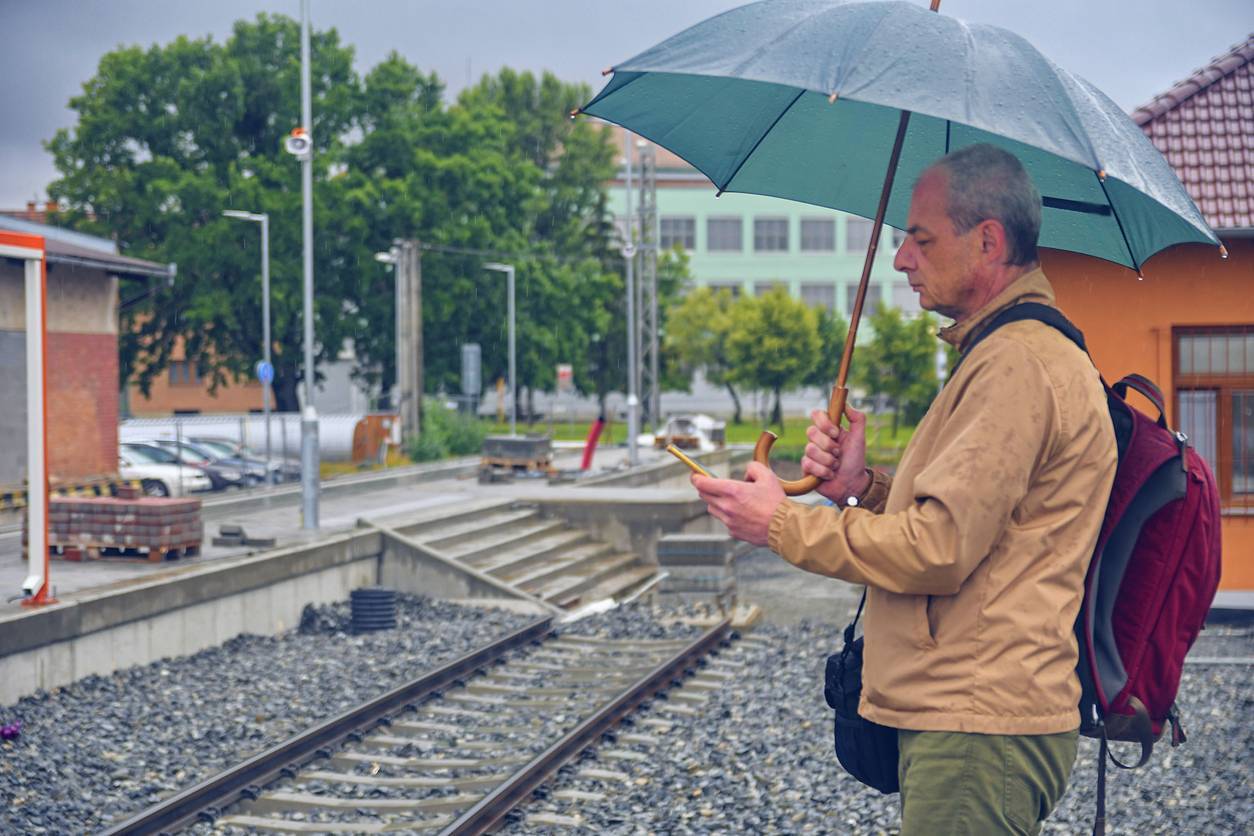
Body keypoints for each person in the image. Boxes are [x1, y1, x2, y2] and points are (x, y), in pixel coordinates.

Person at [692, 143, 1117, 835]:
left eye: (920, 239)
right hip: (973, 716)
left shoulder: (1015, 364)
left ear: (987, 240)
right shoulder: (1006, 355)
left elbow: (938, 549)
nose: (900, 260)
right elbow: (978, 530)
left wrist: (780, 523)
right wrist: (858, 486)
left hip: (978, 725)